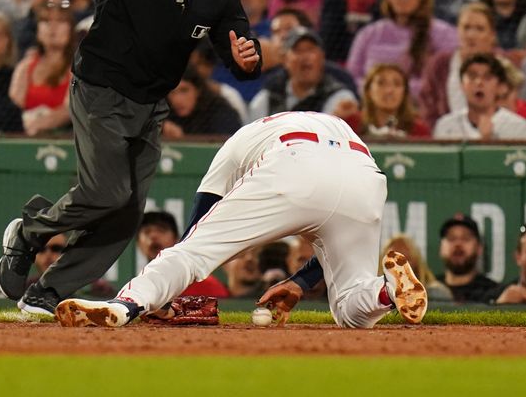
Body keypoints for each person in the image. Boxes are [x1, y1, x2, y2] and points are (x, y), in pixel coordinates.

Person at [0, 0, 261, 315]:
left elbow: (236, 46)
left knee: (127, 212)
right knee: (107, 192)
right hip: (101, 90)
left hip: (151, 105)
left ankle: (49, 290)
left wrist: (248, 59)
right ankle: (28, 232)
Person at [54, 111, 428, 329]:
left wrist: (169, 294)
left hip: (293, 163)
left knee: (189, 254)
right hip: (365, 176)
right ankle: (387, 291)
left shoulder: (241, 139)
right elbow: (328, 215)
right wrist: (300, 282)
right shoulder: (329, 125)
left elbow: (194, 239)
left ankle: (127, 305)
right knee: (350, 308)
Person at [346, 0, 458, 97]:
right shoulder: (368, 34)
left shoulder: (445, 34)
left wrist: (393, 91)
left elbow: (445, 81)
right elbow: (351, 78)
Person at [248, 27, 357, 122]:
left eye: (310, 50)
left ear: (322, 57)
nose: (305, 56)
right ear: (285, 60)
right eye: (298, 50)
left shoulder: (339, 98)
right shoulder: (267, 98)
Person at [419, 3, 499, 129]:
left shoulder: (504, 66)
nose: (471, 35)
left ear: (492, 35)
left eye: (479, 29)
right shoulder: (439, 64)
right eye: (466, 28)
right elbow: (427, 108)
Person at [9, 0, 75, 136]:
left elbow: (70, 109)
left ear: (70, 29)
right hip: (24, 134)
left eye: (61, 21)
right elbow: (14, 106)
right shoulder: (26, 66)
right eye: (46, 21)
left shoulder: (78, 68)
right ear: (38, 30)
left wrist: (39, 124)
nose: (53, 27)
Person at [434, 53, 526, 140]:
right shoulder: (445, 126)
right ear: (462, 85)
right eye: (472, 76)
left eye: (487, 77)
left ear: (500, 87)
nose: (479, 82)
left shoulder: (517, 127)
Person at [135, 210, 229, 298]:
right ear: (138, 243)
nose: (153, 236)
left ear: (177, 239)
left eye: (161, 230)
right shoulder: (137, 288)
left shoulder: (207, 286)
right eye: (147, 232)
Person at [163, 65, 242, 138]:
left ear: (198, 90)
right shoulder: (164, 115)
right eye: (172, 92)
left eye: (184, 90)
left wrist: (182, 139)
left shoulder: (221, 113)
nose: (177, 100)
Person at [359, 63, 430, 139]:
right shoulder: (351, 125)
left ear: (405, 92)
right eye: (381, 83)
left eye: (397, 84)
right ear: (368, 91)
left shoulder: (419, 130)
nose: (389, 90)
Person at [436, 215, 497, 303]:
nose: (457, 244)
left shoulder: (494, 293)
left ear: (479, 248)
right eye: (451, 238)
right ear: (441, 248)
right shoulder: (426, 291)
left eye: (465, 238)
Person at [380, 234, 453, 302]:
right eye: (392, 260)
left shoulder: (436, 293)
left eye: (406, 259)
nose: (398, 266)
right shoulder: (374, 294)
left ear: (416, 263)